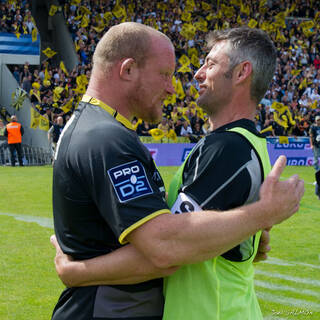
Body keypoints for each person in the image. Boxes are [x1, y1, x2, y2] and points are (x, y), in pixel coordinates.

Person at [51, 23, 304, 320]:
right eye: (165, 75)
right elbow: (169, 244)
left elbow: (170, 243)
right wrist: (253, 222)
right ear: (128, 70)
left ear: (241, 73)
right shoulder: (105, 137)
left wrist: (77, 271)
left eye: (209, 63)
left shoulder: (227, 148)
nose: (178, 84)